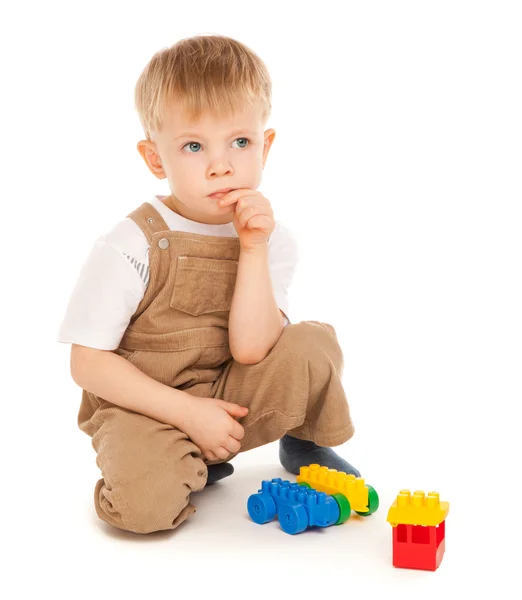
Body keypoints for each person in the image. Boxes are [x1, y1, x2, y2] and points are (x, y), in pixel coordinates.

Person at [57, 34, 360, 535]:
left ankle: (302, 441)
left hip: (228, 398)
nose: (221, 164)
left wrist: (252, 248)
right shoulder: (130, 242)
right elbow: (86, 363)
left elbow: (252, 348)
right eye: (194, 146)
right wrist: (187, 414)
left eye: (239, 142)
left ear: (265, 146)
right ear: (156, 159)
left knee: (311, 342)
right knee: (142, 509)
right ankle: (177, 462)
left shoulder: (272, 238)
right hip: (143, 406)